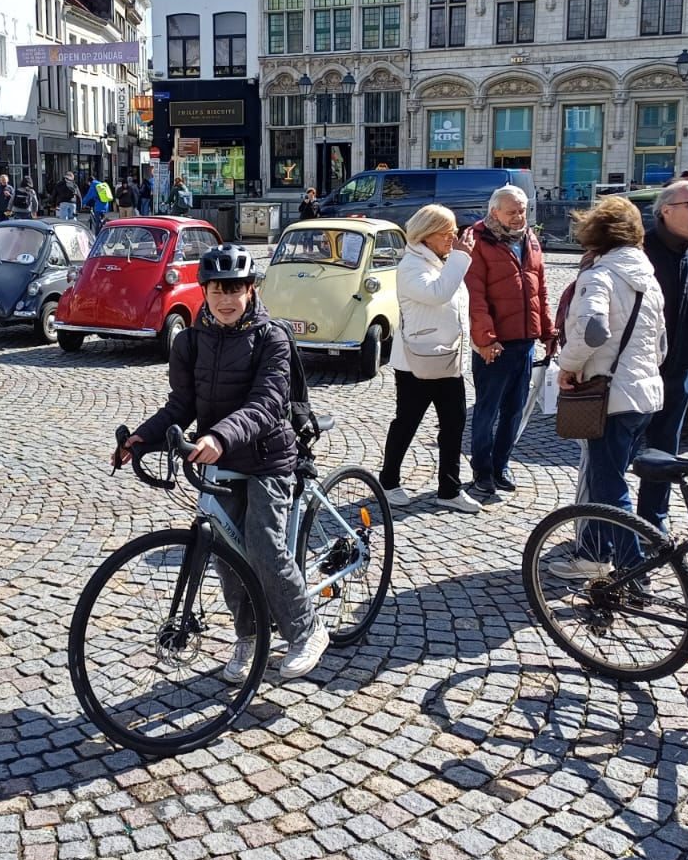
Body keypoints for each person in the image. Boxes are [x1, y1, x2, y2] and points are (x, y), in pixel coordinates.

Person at [118, 244, 331, 681]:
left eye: (235, 289)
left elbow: (266, 404)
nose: (226, 299)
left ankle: (307, 630)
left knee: (263, 544)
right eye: (218, 289)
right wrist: (142, 438)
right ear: (205, 291)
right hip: (219, 458)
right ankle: (249, 636)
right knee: (225, 553)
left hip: (268, 457)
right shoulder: (190, 342)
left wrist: (219, 435)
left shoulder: (272, 338)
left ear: (251, 290)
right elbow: (180, 406)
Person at [549, 197, 668, 579]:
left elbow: (592, 330)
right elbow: (661, 345)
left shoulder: (599, 276)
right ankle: (594, 556)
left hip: (612, 397)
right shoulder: (648, 279)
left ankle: (634, 572)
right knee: (606, 481)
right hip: (645, 396)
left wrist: (568, 366)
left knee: (608, 487)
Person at [379, 204, 482, 514]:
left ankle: (449, 489)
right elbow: (438, 294)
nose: (454, 238)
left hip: (448, 358)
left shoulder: (442, 262)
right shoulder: (411, 265)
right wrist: (461, 257)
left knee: (454, 424)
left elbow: (456, 303)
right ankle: (388, 481)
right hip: (417, 362)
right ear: (427, 235)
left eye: (454, 232)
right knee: (407, 422)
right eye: (448, 233)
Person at [636, 180, 688, 532]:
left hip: (678, 373)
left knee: (665, 453)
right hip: (638, 373)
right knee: (620, 452)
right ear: (665, 211)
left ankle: (653, 521)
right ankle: (607, 523)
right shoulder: (640, 251)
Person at [463, 185, 554, 500]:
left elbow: (540, 289)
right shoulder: (479, 241)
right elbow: (475, 297)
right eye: (512, 212)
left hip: (524, 342)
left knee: (514, 411)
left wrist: (548, 332)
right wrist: (486, 339)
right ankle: (482, 469)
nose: (518, 217)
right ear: (495, 212)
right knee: (487, 411)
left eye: (522, 211)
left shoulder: (530, 239)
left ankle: (501, 465)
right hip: (495, 345)